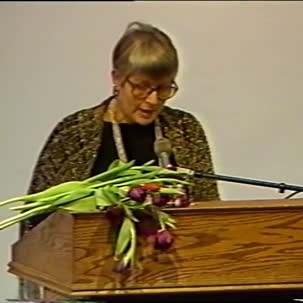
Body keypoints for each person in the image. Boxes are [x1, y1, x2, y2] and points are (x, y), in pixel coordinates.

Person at [18, 21, 220, 300]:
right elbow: (38, 222)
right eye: (141, 87)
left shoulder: (185, 129)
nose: (152, 100)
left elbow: (209, 211)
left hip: (173, 282)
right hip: (91, 284)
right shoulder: (76, 133)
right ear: (116, 78)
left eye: (164, 88)